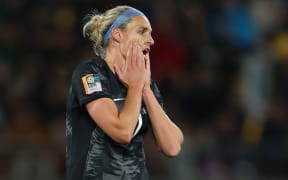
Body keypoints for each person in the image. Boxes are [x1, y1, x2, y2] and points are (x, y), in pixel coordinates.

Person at [66, 5, 184, 180]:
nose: (151, 40)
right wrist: (136, 87)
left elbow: (172, 147)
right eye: (142, 31)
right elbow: (122, 132)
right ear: (117, 35)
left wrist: (146, 90)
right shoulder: (90, 73)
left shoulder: (144, 85)